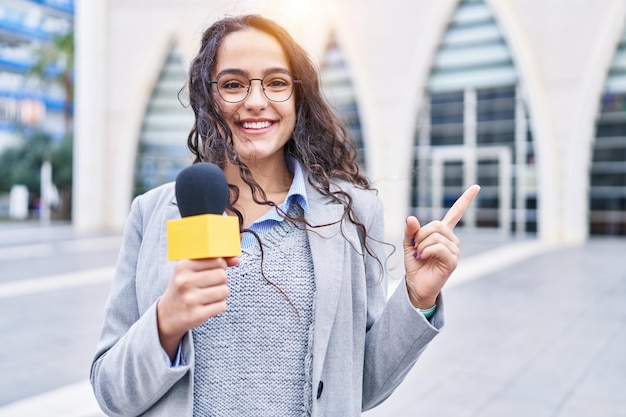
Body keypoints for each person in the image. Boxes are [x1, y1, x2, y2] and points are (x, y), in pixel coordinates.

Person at [90, 14, 480, 417]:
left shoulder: (352, 214)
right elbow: (112, 394)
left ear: (298, 98)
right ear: (208, 99)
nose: (256, 101)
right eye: (233, 84)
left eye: (276, 82)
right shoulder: (151, 214)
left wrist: (418, 298)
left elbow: (360, 386)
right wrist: (165, 322)